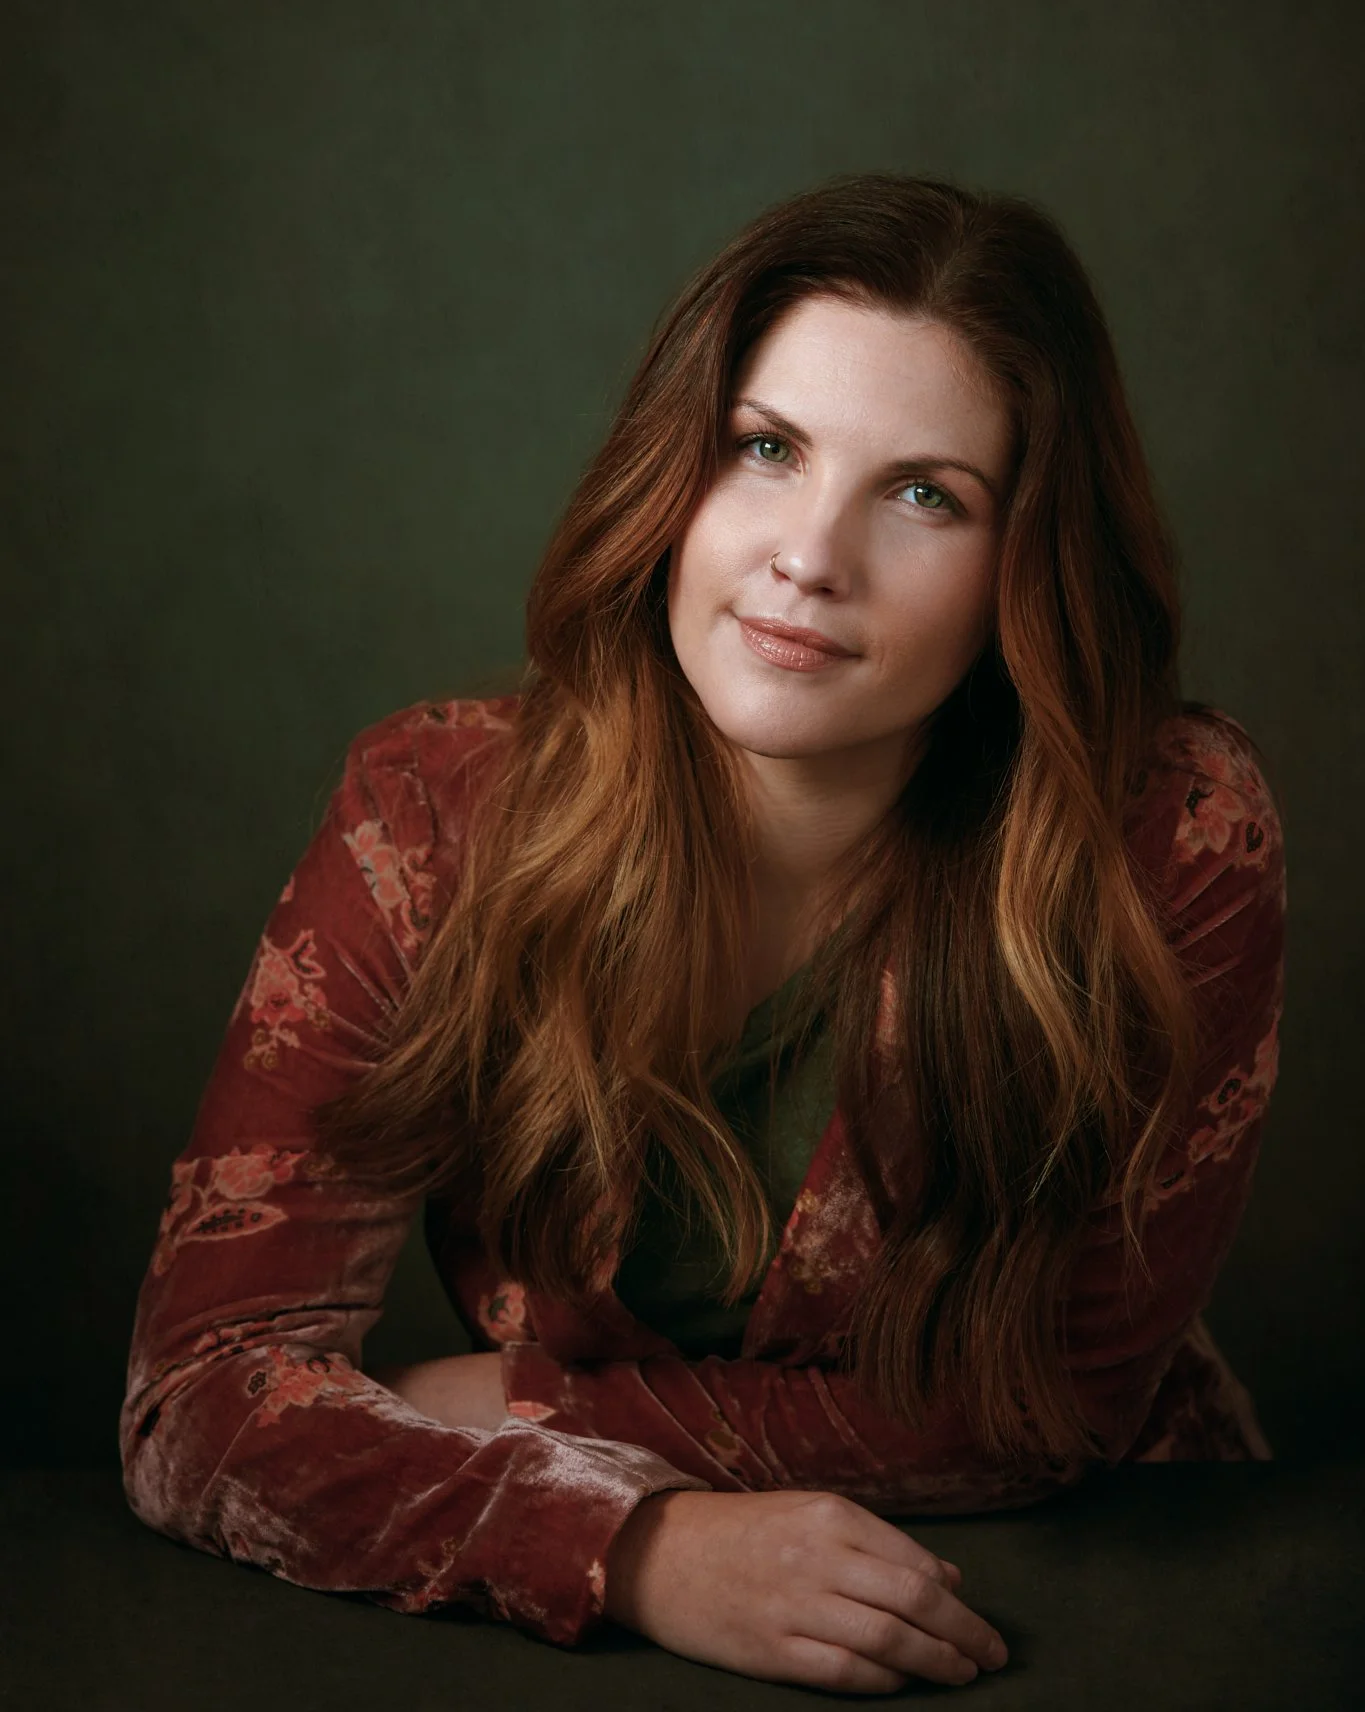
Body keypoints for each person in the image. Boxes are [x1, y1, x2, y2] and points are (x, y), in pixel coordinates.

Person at [121, 174, 1285, 1695]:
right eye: (766, 450)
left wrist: (524, 1406)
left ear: (1027, 567)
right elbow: (200, 1395)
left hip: (1096, 1602)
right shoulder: (431, 817)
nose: (811, 555)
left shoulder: (1172, 834)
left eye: (925, 493)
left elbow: (1059, 1404)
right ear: (674, 468)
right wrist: (640, 1550)